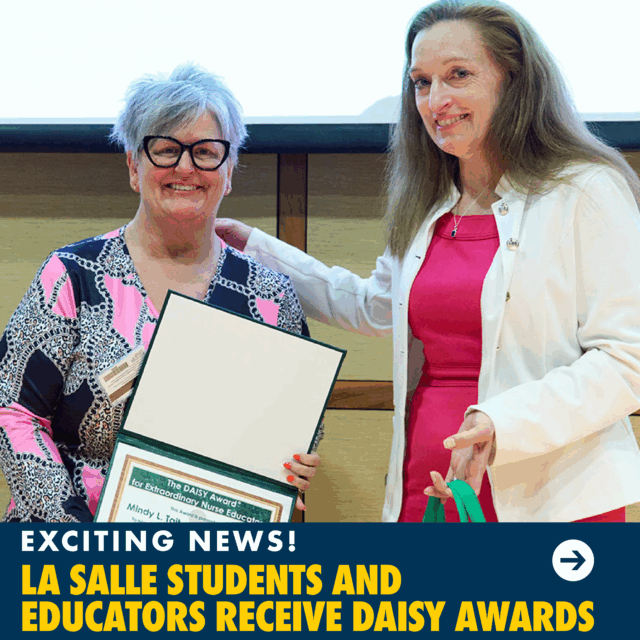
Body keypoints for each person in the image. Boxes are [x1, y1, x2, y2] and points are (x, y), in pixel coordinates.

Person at [217, 0, 640, 522]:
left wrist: (501, 423)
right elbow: (377, 307)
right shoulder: (428, 201)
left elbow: (627, 358)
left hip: (552, 495)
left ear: (514, 81)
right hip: (428, 478)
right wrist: (255, 249)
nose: (436, 100)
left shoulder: (587, 190)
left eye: (458, 75)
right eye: (421, 82)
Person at [0, 63, 319, 522]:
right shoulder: (71, 276)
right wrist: (77, 538)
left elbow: (296, 428)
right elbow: (14, 413)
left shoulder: (271, 296)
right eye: (166, 150)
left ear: (229, 170)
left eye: (205, 152)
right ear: (134, 166)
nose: (185, 167)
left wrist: (292, 465)